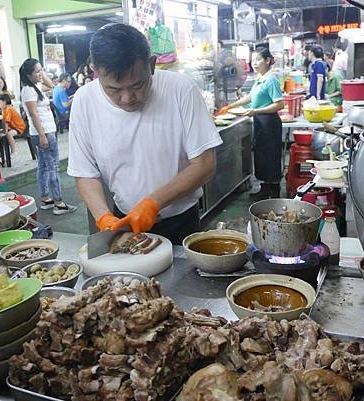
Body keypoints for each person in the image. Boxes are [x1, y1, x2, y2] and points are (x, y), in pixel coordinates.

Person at [67, 23, 222, 244]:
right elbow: (84, 172)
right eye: (114, 89)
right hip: (122, 222)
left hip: (180, 221)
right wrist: (103, 216)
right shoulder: (84, 101)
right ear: (95, 72)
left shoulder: (181, 90)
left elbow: (205, 164)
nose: (127, 98)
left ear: (151, 65)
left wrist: (153, 202)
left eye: (138, 85)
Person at [219, 47, 284, 199]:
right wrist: (230, 106)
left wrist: (256, 111)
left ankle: (273, 190)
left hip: (269, 123)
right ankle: (265, 188)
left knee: (270, 157)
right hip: (261, 122)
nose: (254, 63)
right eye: (253, 60)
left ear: (268, 61)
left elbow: (279, 104)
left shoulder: (271, 80)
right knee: (261, 155)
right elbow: (250, 98)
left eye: (258, 60)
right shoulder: (260, 79)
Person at [20, 58, 77, 216]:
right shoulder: (28, 90)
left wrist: (41, 72)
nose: (40, 74)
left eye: (41, 70)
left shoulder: (35, 87)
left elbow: (51, 85)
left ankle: (45, 199)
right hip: (44, 132)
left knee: (44, 166)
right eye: (37, 72)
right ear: (28, 74)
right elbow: (33, 115)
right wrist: (42, 135)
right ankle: (58, 202)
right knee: (53, 167)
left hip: (45, 132)